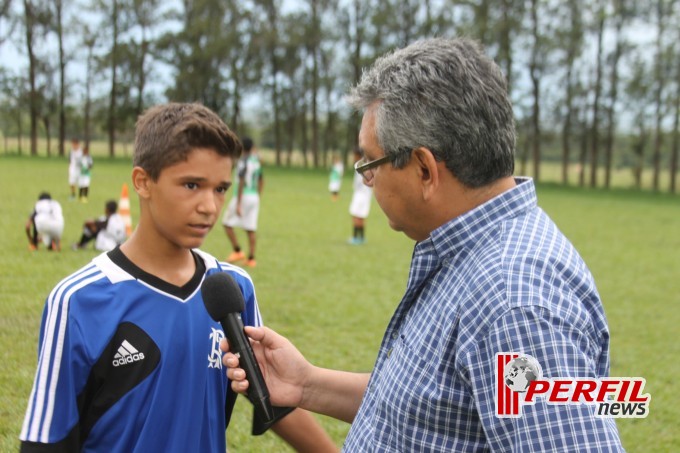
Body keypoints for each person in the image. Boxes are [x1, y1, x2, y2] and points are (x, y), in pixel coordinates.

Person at [222, 38, 624, 451]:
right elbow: (430, 409)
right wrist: (305, 384)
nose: (366, 178)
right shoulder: (467, 254)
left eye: (370, 163)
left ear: (424, 169)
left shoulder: (515, 300)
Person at [20, 103, 337, 452]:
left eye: (220, 189)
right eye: (191, 185)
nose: (210, 206)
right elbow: (46, 442)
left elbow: (274, 399)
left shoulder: (232, 288)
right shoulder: (79, 300)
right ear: (143, 182)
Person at [222, 136, 263, 268]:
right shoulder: (256, 161)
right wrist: (258, 195)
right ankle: (251, 258)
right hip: (254, 196)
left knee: (227, 223)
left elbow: (240, 181)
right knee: (250, 228)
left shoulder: (242, 161)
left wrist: (239, 203)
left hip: (243, 195)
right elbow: (262, 180)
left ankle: (237, 251)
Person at [347, 148, 372, 245]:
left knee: (356, 216)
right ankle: (361, 238)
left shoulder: (361, 167)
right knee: (361, 216)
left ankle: (355, 237)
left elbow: (359, 183)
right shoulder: (364, 166)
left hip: (361, 195)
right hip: (365, 195)